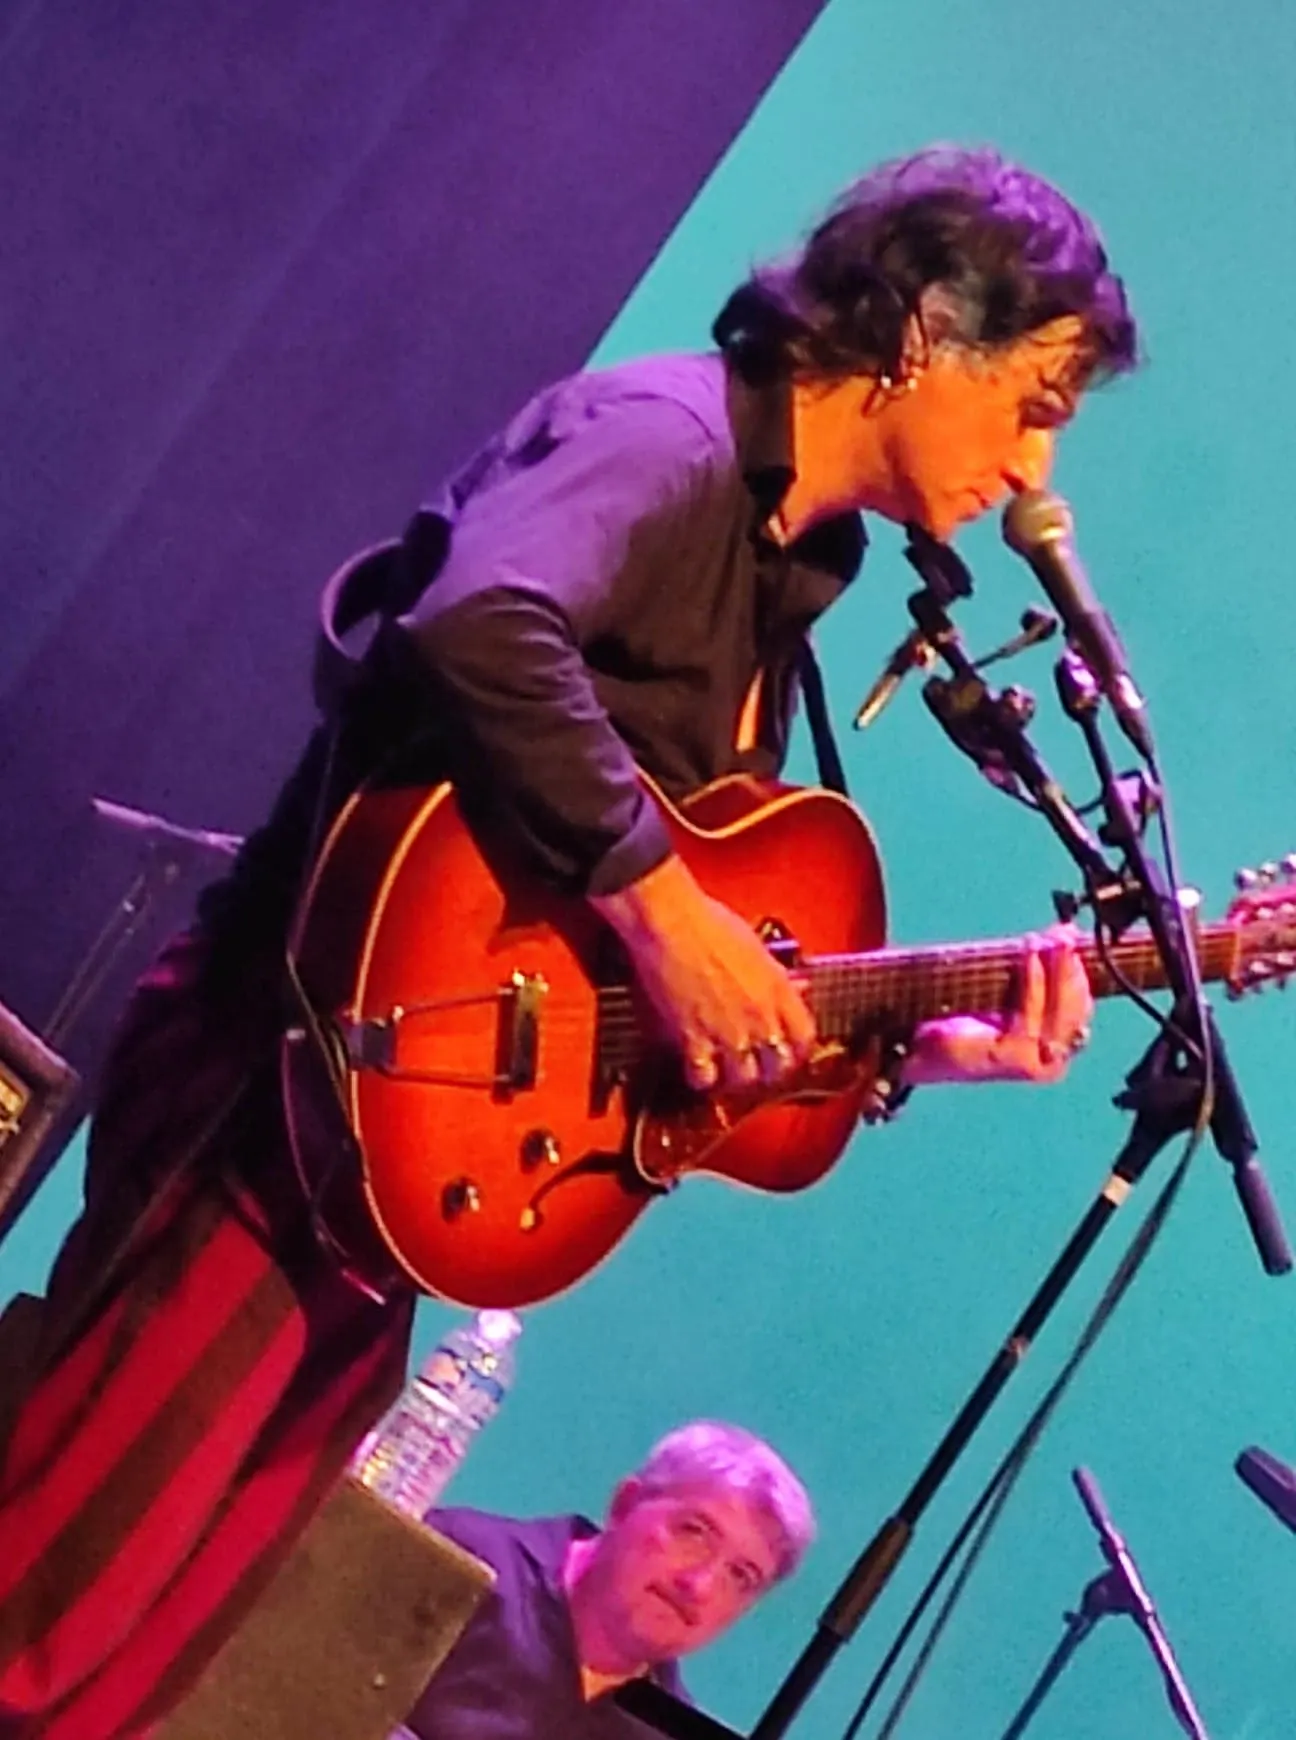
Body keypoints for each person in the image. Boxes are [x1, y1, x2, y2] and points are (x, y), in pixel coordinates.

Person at [0, 144, 1136, 1738]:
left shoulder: (789, 581)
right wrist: (663, 905)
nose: (1030, 466)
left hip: (405, 1152)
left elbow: (625, 997)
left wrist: (913, 1052)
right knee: (51, 1608)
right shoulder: (666, 436)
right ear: (922, 331)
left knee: (125, 1664)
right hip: (289, 1083)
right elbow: (480, 618)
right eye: (1034, 400)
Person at [397, 1419, 815, 1740]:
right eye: (694, 1533)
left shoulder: (666, 1730)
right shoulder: (457, 1559)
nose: (699, 1584)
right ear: (624, 1505)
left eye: (740, 1575)